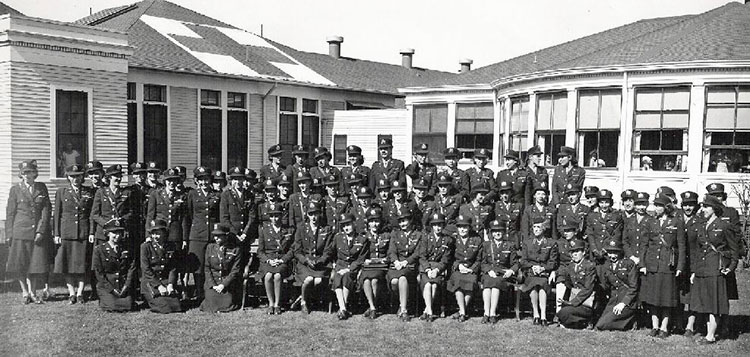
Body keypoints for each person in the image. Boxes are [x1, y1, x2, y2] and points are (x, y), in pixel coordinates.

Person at [689, 195, 738, 344]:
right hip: (702, 269)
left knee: (714, 303)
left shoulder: (724, 226)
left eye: (706, 207)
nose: (703, 209)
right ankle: (709, 332)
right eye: (702, 206)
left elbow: (734, 251)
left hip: (716, 268)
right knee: (705, 301)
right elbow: (698, 250)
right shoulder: (701, 225)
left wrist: (730, 268)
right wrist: (694, 271)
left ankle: (710, 336)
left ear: (714, 209)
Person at [5, 160, 52, 304]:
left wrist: (41, 231)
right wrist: (9, 234)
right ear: (21, 175)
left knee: (35, 264)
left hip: (36, 232)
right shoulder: (15, 189)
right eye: (25, 173)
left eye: (30, 172)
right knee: (21, 264)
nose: (28, 175)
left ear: (35, 173)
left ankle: (33, 292)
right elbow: (10, 213)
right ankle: (25, 292)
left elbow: (46, 211)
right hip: (20, 232)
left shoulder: (41, 188)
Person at [639, 192, 686, 338]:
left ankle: (664, 327)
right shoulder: (650, 222)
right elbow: (644, 244)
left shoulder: (676, 222)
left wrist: (679, 267)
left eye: (659, 206)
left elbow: (682, 246)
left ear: (666, 207)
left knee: (666, 299)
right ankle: (655, 326)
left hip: (668, 266)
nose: (656, 208)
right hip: (653, 264)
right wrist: (642, 263)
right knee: (653, 299)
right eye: (656, 205)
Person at [54, 164, 94, 304]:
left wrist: (91, 232)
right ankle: (71, 293)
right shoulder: (61, 192)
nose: (75, 179)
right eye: (72, 176)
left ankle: (80, 293)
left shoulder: (89, 191)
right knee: (68, 265)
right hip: (67, 233)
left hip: (83, 232)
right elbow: (57, 214)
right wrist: (57, 234)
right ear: (68, 177)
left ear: (82, 177)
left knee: (81, 265)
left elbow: (91, 215)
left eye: (78, 176)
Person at [185, 166, 221, 301]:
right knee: (198, 267)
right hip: (197, 235)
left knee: (212, 264)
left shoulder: (216, 195)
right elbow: (189, 215)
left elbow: (218, 216)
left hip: (212, 235)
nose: (204, 182)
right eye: (201, 180)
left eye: (206, 179)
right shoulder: (192, 195)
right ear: (197, 181)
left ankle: (211, 292)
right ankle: (200, 293)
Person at [293, 202, 334, 314]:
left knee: (318, 280)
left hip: (321, 264)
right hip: (305, 264)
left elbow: (328, 250)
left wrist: (321, 261)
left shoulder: (326, 229)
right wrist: (305, 260)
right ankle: (304, 302)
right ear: (307, 215)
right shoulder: (301, 228)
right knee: (309, 279)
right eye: (311, 214)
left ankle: (305, 297)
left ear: (320, 214)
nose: (313, 217)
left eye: (316, 214)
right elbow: (297, 251)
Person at [328, 213, 369, 320]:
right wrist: (333, 263)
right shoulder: (338, 238)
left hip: (353, 268)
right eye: (344, 225)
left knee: (346, 276)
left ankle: (342, 308)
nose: (346, 228)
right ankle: (343, 308)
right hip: (339, 265)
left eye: (348, 224)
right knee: (337, 276)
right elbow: (330, 252)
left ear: (354, 223)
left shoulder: (361, 239)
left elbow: (361, 259)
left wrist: (349, 269)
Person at [520, 216, 559, 326]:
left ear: (544, 229)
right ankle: (536, 314)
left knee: (542, 285)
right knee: (533, 285)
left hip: (544, 273)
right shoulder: (527, 243)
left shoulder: (551, 243)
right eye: (534, 227)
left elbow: (553, 262)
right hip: (530, 272)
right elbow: (523, 261)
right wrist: (532, 267)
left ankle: (543, 315)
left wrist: (543, 268)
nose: (536, 229)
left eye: (538, 227)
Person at [257, 204, 295, 315]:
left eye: (277, 216)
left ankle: (277, 304)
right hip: (269, 260)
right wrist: (268, 260)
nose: (274, 218)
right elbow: (260, 251)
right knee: (268, 276)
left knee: (278, 276)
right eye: (272, 216)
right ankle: (270, 303)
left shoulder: (287, 230)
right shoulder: (264, 229)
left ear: (281, 216)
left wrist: (283, 260)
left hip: (282, 261)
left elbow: (292, 250)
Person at [480, 220, 519, 324]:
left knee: (496, 283)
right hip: (489, 274)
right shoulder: (487, 245)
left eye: (500, 231)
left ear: (504, 232)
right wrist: (488, 270)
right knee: (488, 283)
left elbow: (515, 263)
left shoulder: (509, 245)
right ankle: (486, 313)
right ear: (491, 233)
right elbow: (483, 263)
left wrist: (511, 271)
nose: (497, 233)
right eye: (495, 231)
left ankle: (492, 313)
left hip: (503, 275)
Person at [140, 219, 183, 313]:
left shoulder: (171, 246)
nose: (155, 236)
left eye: (158, 233)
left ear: (164, 233)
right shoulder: (145, 247)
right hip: (151, 282)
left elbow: (172, 268)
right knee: (164, 307)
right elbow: (146, 269)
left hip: (165, 281)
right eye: (153, 233)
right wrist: (158, 286)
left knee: (176, 307)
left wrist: (171, 284)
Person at [387, 210, 423, 321]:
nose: (402, 224)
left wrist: (406, 262)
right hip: (396, 265)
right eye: (400, 221)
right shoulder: (395, 234)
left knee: (402, 279)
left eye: (405, 221)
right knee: (394, 282)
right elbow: (391, 251)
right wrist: (396, 261)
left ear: (410, 221)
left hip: (409, 266)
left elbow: (418, 252)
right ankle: (401, 304)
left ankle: (403, 309)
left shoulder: (418, 235)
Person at [92, 220, 136, 312]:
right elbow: (99, 273)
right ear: (107, 233)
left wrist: (126, 286)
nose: (117, 235)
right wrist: (111, 289)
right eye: (114, 233)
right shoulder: (99, 250)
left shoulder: (126, 249)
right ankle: (105, 300)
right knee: (113, 306)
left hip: (122, 285)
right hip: (107, 286)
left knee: (128, 306)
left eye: (119, 232)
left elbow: (131, 269)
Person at [595, 239, 639, 331]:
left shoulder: (628, 264)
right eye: (610, 252)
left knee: (604, 325)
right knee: (599, 325)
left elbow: (633, 287)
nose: (612, 255)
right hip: (613, 301)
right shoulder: (607, 266)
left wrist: (623, 303)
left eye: (615, 252)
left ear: (620, 252)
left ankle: (631, 321)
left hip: (627, 302)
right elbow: (606, 286)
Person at [447, 215, 483, 322]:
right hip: (458, 269)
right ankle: (463, 312)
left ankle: (461, 311)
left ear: (469, 228)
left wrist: (472, 269)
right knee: (458, 281)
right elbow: (449, 257)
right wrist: (458, 265)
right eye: (460, 227)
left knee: (471, 282)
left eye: (465, 227)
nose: (462, 230)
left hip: (471, 270)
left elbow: (479, 259)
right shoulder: (453, 240)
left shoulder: (476, 240)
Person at [200, 223, 243, 313]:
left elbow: (235, 271)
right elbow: (207, 269)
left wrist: (223, 285)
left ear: (226, 236)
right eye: (215, 236)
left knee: (227, 302)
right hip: (213, 282)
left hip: (227, 283)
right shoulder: (210, 248)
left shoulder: (235, 250)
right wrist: (213, 285)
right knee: (211, 300)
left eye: (219, 236)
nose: (216, 238)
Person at [418, 213, 453, 322]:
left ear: (443, 226)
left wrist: (437, 270)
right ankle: (430, 310)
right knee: (428, 284)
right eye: (435, 225)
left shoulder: (448, 240)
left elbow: (445, 259)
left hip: (439, 269)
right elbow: (422, 256)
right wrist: (428, 269)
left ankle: (427, 311)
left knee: (433, 286)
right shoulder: (426, 238)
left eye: (440, 225)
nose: (437, 227)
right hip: (426, 268)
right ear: (432, 226)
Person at [557, 239, 597, 329]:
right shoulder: (570, 267)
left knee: (564, 313)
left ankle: (586, 321)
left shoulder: (589, 266)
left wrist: (573, 302)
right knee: (561, 312)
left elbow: (588, 288)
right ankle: (579, 323)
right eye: (572, 252)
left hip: (585, 302)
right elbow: (569, 284)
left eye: (577, 251)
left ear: (583, 252)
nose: (574, 254)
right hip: (574, 300)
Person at [359, 207, 390, 319]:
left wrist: (386, 258)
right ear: (368, 223)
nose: (374, 224)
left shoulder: (386, 235)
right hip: (368, 267)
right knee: (366, 280)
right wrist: (365, 260)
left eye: (377, 221)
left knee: (375, 281)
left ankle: (372, 307)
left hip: (381, 266)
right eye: (372, 221)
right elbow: (361, 254)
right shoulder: (364, 236)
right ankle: (373, 307)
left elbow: (390, 252)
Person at [680, 191, 702, 337]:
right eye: (685, 205)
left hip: (693, 264)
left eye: (691, 205)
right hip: (678, 264)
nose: (688, 208)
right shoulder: (676, 219)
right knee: (679, 294)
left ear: (695, 206)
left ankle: (690, 325)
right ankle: (678, 322)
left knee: (693, 296)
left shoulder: (699, 222)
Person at [584, 189, 623, 266]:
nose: (604, 205)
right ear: (598, 203)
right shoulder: (592, 217)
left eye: (606, 202)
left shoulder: (616, 217)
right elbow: (590, 234)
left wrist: (605, 250)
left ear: (610, 203)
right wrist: (594, 249)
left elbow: (616, 235)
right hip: (594, 253)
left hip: (609, 252)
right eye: (601, 202)